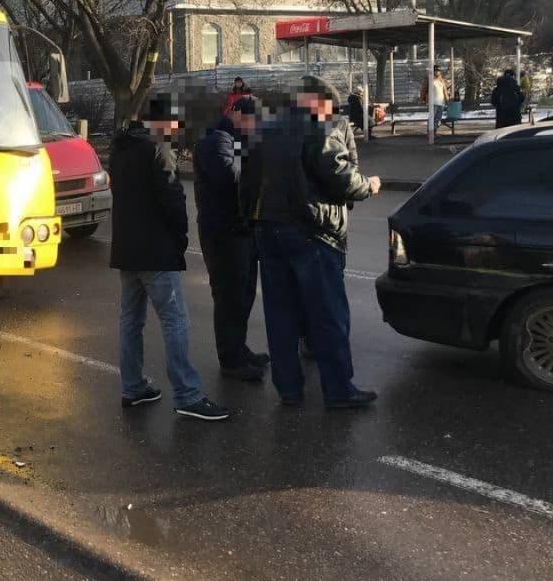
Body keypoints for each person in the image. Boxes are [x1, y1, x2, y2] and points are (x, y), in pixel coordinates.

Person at [241, 76, 382, 409]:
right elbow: (338, 175)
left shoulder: (267, 127)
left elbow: (247, 180)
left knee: (281, 314)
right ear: (319, 102)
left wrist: (252, 221)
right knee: (327, 314)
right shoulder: (320, 125)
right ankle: (339, 390)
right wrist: (369, 185)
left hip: (269, 230)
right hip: (311, 232)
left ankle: (289, 388)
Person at [110, 93, 230, 421]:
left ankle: (132, 387)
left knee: (131, 320)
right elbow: (172, 200)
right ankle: (188, 395)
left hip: (127, 249)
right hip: (156, 250)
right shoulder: (157, 148)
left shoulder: (120, 147)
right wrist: (180, 240)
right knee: (175, 320)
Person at [193, 97, 270, 382]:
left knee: (244, 294)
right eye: (250, 119)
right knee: (229, 297)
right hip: (223, 234)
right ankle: (231, 360)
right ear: (235, 113)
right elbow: (230, 176)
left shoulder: (234, 139)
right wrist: (256, 168)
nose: (253, 127)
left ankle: (239, 347)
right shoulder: (216, 140)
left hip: (239, 229)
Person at [428, 67, 449, 134]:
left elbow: (445, 91)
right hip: (433, 103)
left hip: (441, 103)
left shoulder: (442, 81)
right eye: (436, 71)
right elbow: (424, 89)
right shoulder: (430, 80)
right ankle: (430, 133)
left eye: (438, 71)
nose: (437, 72)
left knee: (438, 119)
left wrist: (447, 99)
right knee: (432, 118)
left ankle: (434, 132)